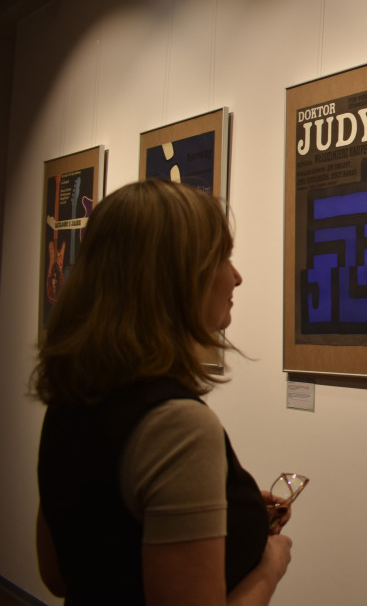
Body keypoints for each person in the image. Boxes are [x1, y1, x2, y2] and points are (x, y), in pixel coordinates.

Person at [32, 179, 293, 605]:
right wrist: (270, 566)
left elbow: (58, 575)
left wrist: (223, 503)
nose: (237, 277)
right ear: (180, 278)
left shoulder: (70, 401)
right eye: (223, 258)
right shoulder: (176, 426)